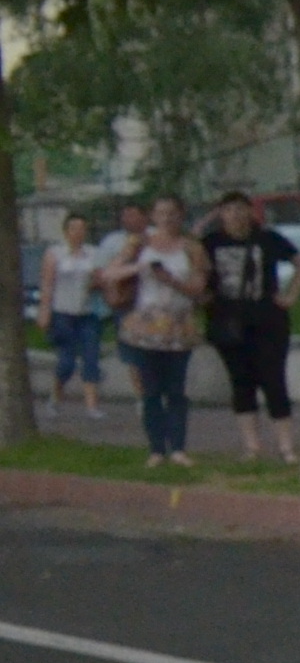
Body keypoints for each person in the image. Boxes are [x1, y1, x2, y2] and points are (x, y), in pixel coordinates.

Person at [196, 189, 299, 460]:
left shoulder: (267, 239)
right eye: (229, 210)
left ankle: (286, 445)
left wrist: (290, 296)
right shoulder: (211, 242)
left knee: (273, 380)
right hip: (227, 320)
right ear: (221, 214)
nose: (236, 215)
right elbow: (190, 253)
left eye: (241, 209)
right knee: (241, 383)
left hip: (267, 320)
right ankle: (252, 446)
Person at [108, 199, 200, 468]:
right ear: (153, 216)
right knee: (150, 390)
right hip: (145, 325)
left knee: (176, 389)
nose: (167, 219)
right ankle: (156, 449)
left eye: (173, 213)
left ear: (181, 215)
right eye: (161, 213)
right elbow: (110, 273)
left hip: (178, 325)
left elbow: (198, 286)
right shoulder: (139, 244)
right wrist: (140, 268)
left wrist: (171, 280)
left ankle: (179, 447)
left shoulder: (191, 248)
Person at [37, 208, 105, 410]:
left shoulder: (93, 253)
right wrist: (44, 311)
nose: (78, 232)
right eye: (74, 228)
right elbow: (48, 284)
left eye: (82, 228)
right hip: (62, 313)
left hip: (87, 313)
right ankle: (56, 395)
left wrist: (97, 283)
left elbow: (101, 278)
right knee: (66, 361)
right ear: (66, 231)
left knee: (91, 358)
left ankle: (92, 405)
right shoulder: (55, 253)